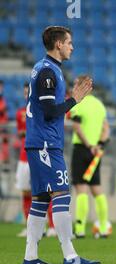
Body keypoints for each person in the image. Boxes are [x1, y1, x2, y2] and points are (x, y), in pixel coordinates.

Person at [23, 26, 99, 264]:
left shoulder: (45, 68)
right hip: (45, 144)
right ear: (58, 44)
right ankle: (70, 256)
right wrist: (73, 101)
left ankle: (30, 257)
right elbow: (48, 111)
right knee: (61, 195)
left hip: (41, 142)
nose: (72, 47)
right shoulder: (48, 72)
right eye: (69, 42)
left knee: (41, 199)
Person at [70, 75, 111, 239]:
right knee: (97, 189)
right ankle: (103, 227)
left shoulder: (78, 104)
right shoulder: (99, 105)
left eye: (75, 84)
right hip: (96, 152)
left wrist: (88, 146)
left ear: (81, 86)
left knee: (81, 189)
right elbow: (106, 129)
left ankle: (79, 229)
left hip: (82, 149)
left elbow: (77, 127)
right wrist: (98, 146)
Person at [16, 82, 56, 238]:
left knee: (47, 190)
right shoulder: (21, 113)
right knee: (26, 191)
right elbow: (21, 134)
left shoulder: (41, 110)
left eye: (29, 93)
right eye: (25, 93)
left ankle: (52, 226)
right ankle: (30, 227)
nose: (27, 95)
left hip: (41, 155)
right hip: (23, 158)